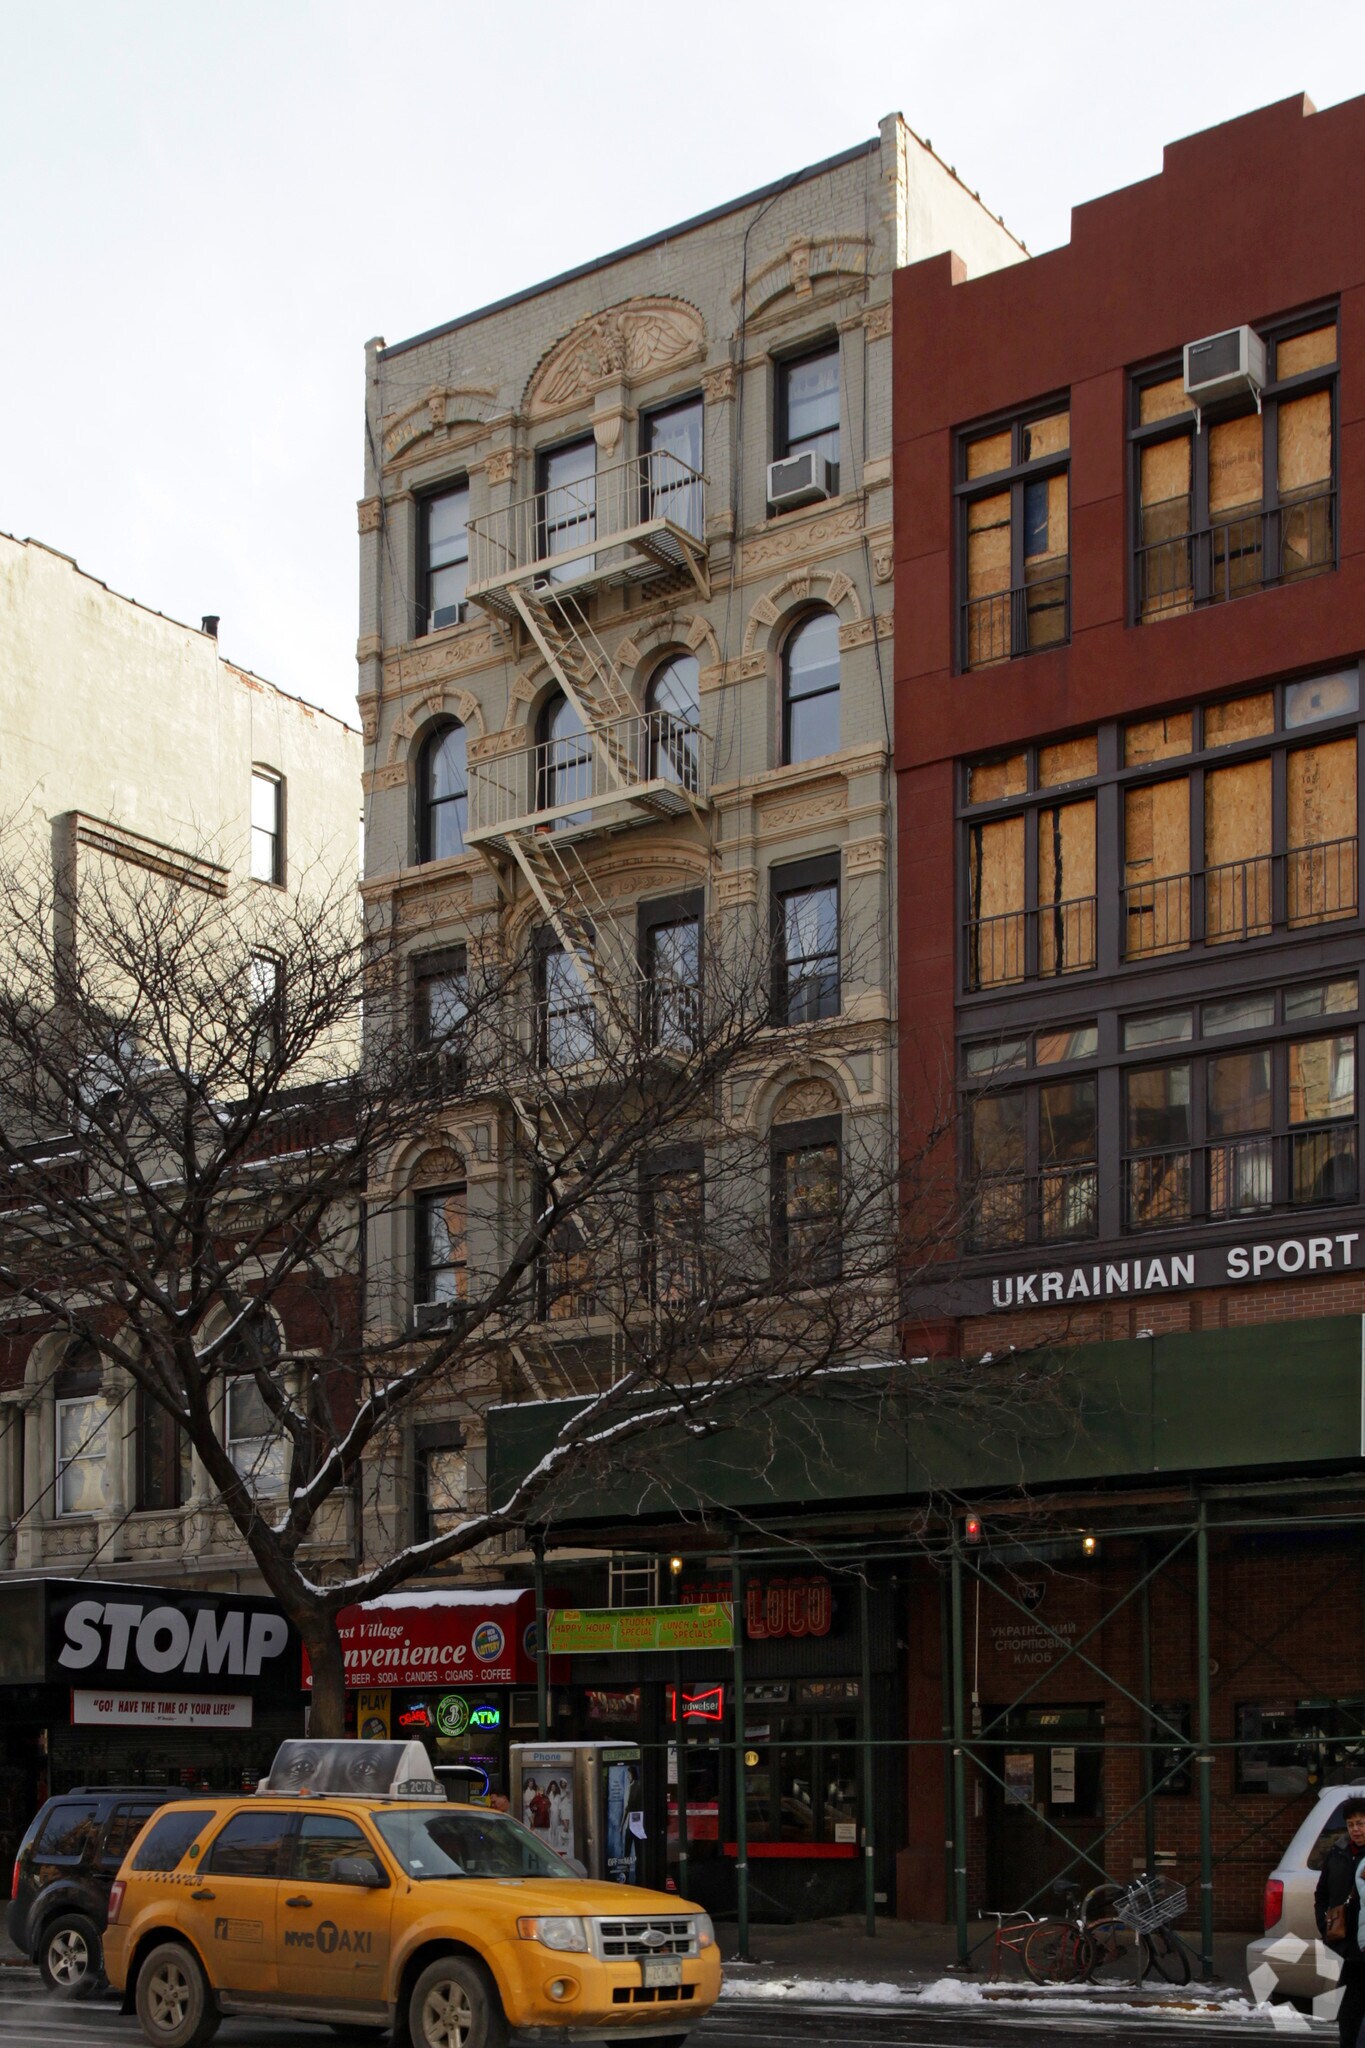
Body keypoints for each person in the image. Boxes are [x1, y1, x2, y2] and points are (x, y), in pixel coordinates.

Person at [1314, 1795, 1365, 2048]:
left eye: (1361, 1823)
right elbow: (1321, 1893)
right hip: (1348, 1948)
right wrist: (1326, 1927)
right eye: (1351, 1824)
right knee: (1349, 2011)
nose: (1356, 1829)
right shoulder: (1338, 1853)